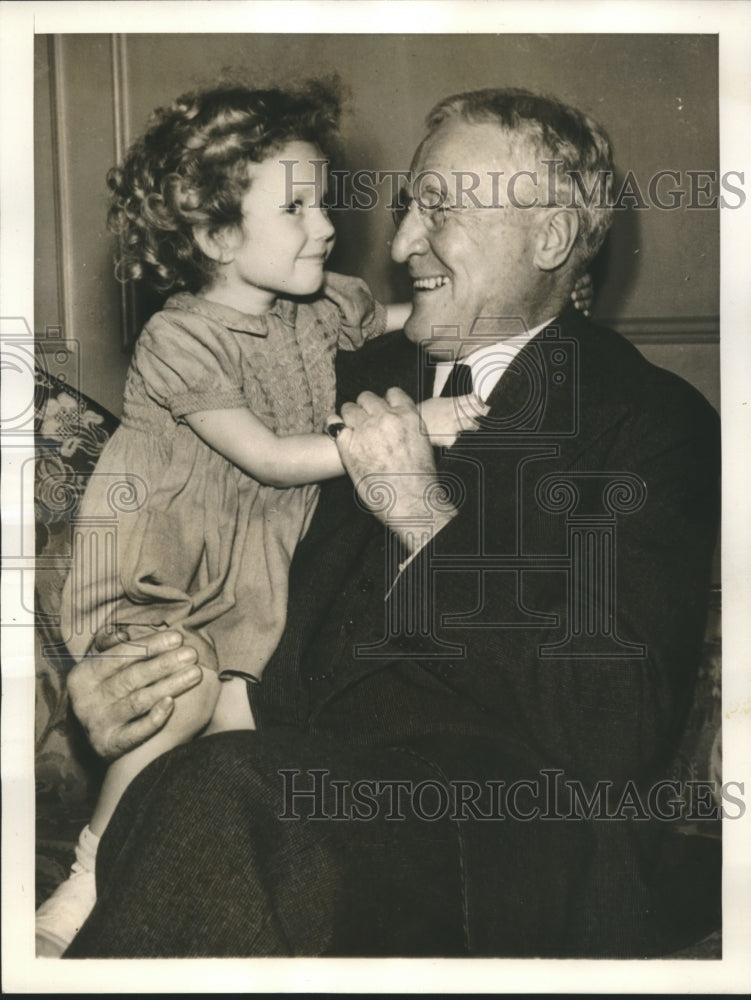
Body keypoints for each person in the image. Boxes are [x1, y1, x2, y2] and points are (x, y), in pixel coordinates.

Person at [63, 87, 719, 958]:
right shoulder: (336, 374)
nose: (401, 241)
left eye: (437, 210)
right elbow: (205, 546)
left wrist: (421, 514)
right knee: (205, 789)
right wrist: (124, 678)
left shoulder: (645, 421)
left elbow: (615, 728)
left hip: (501, 842)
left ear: (551, 238)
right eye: (407, 205)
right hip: (283, 792)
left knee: (231, 795)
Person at [36, 81, 482, 957]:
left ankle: (164, 885)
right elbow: (270, 458)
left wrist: (465, 320)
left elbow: (403, 318)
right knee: (181, 693)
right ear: (215, 236)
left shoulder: (315, 309)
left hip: (258, 575)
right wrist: (412, 427)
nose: (325, 226)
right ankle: (86, 878)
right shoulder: (181, 337)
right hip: (170, 564)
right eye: (298, 207)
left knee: (244, 724)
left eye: (321, 201)